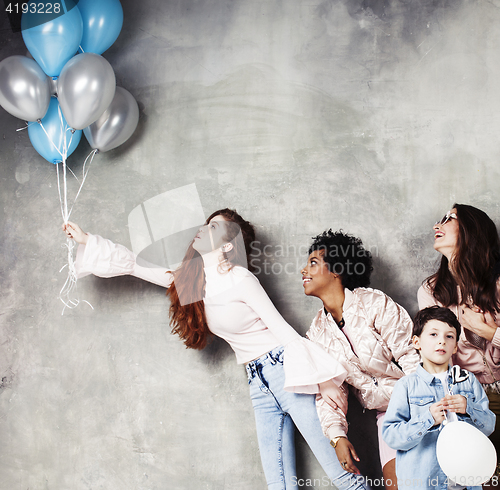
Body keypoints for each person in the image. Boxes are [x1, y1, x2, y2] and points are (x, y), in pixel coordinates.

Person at [62, 209, 369, 490]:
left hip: (286, 373)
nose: (203, 229)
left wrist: (326, 383)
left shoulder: (241, 279)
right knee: (280, 485)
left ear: (227, 245)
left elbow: (285, 334)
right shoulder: (191, 283)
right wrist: (87, 240)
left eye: (214, 227)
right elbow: (134, 265)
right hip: (257, 385)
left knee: (343, 475)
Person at [301, 229, 419, 489]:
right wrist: (337, 437)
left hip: (421, 405)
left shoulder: (374, 304)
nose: (303, 271)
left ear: (337, 270)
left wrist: (424, 410)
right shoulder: (317, 334)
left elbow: (412, 356)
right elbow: (330, 393)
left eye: (312, 263)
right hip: (387, 418)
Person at [418, 204, 500, 480]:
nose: (436, 225)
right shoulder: (431, 292)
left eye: (449, 218)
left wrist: (486, 331)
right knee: (481, 476)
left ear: (471, 232)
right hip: (472, 399)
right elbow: (438, 358)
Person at [382, 306, 496, 489]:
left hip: (466, 482)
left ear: (455, 347)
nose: (442, 341)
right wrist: (428, 419)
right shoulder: (406, 386)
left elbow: (489, 426)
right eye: (433, 334)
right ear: (417, 342)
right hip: (425, 482)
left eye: (449, 336)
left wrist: (469, 408)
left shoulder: (469, 381)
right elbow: (391, 436)